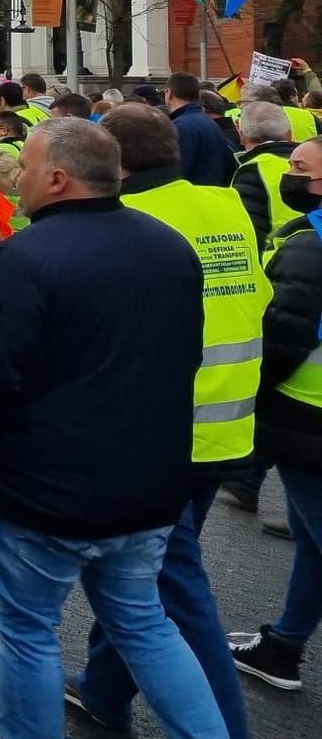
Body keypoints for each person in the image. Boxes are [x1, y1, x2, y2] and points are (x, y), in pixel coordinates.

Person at [0, 118, 225, 738]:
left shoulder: (26, 259)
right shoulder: (169, 247)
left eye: (26, 168)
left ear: (58, 178)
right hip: (147, 491)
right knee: (146, 624)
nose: (16, 179)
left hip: (35, 497)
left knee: (27, 634)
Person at [63, 103, 267, 734]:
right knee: (143, 571)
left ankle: (226, 727)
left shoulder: (130, 221)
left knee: (175, 589)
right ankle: (103, 686)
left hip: (160, 431)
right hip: (227, 423)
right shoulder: (223, 204)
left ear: (114, 162)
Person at [227, 134, 322, 692]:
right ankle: (284, 645)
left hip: (306, 415)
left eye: (300, 168)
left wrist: (254, 396)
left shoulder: (309, 246)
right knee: (310, 540)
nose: (290, 175)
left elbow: (284, 337)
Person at [233, 100, 299, 253]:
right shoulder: (315, 161)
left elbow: (251, 229)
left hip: (281, 260)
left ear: (242, 137)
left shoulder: (252, 170)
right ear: (290, 134)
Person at [167, 72, 237, 187]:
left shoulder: (181, 126)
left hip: (191, 198)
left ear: (169, 93)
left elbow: (177, 173)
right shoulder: (209, 123)